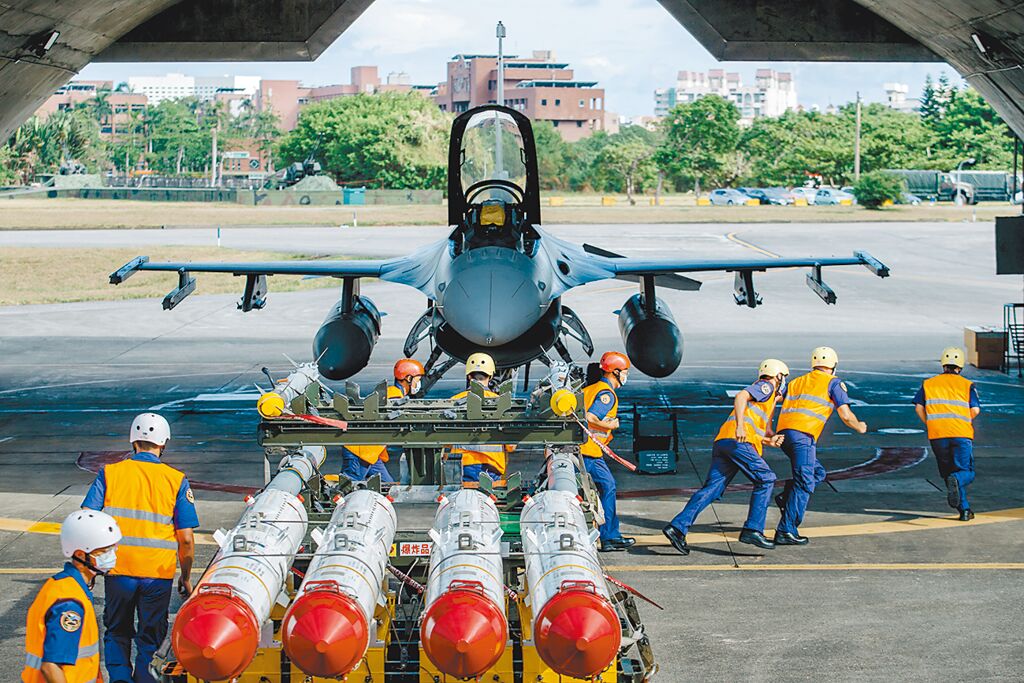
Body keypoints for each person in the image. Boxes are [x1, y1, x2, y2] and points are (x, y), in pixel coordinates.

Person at [82, 413, 198, 683]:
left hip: (118, 569)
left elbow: (87, 517)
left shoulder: (110, 473)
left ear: (133, 440)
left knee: (117, 630)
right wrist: (186, 575)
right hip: (156, 575)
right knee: (151, 635)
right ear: (163, 443)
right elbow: (187, 538)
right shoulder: (175, 479)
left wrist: (90, 566)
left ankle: (120, 678)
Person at [662, 359, 789, 555]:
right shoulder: (766, 386)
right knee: (766, 479)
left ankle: (677, 528)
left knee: (712, 489)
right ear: (777, 375)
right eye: (784, 377)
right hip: (738, 443)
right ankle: (753, 529)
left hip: (725, 442)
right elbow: (740, 397)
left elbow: (752, 429)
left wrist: (768, 441)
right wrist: (739, 426)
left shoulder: (768, 400)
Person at [773, 347, 868, 545]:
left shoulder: (797, 381)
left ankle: (787, 497)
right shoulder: (834, 383)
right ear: (833, 366)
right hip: (802, 437)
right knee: (805, 482)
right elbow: (845, 414)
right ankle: (786, 529)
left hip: (785, 435)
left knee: (817, 473)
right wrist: (859, 426)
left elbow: (776, 399)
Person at [23, 509, 121, 683]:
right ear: (80, 555)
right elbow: (51, 666)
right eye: (104, 552)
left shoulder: (65, 585)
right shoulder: (69, 603)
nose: (112, 556)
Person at [913, 347, 981, 521]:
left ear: (943, 364)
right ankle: (958, 482)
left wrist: (930, 422)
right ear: (960, 366)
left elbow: (919, 407)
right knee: (965, 472)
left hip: (937, 434)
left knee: (948, 473)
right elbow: (975, 410)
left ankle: (964, 510)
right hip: (961, 433)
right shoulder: (967, 385)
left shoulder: (929, 383)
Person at [581, 351, 636, 553]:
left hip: (587, 450)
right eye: (625, 372)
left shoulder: (591, 388)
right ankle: (609, 536)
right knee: (605, 488)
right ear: (615, 372)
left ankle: (610, 536)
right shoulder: (607, 394)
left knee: (607, 486)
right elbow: (591, 416)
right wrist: (611, 425)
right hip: (587, 452)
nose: (626, 376)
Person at [341, 358, 425, 482]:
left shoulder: (393, 394)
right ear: (408, 378)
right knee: (348, 487)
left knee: (388, 486)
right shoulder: (394, 397)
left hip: (371, 453)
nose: (419, 383)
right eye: (418, 379)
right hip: (360, 452)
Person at [450, 353, 515, 483]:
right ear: (490, 376)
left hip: (461, 466)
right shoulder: (501, 402)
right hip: (491, 468)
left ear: (469, 375)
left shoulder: (454, 401)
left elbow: (444, 439)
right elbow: (511, 445)